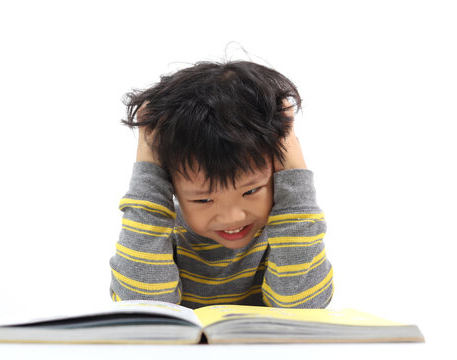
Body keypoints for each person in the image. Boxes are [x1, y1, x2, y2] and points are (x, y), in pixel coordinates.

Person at [109, 60, 333, 309]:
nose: (232, 217)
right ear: (169, 185)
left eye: (251, 190)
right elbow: (143, 310)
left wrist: (291, 158)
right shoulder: (157, 236)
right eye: (203, 199)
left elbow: (303, 310)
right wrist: (149, 160)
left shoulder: (289, 232)